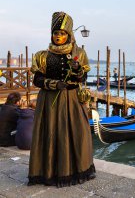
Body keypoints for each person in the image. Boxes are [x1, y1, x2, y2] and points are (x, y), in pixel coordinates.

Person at [28, 12, 95, 187]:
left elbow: (82, 78)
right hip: (49, 101)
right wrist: (54, 84)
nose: (58, 36)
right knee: (49, 133)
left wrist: (78, 70)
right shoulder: (42, 55)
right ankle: (48, 172)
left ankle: (75, 169)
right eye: (56, 33)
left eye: (62, 33)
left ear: (69, 35)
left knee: (76, 134)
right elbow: (37, 80)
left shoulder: (78, 53)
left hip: (72, 100)